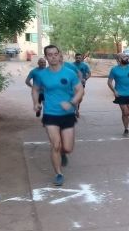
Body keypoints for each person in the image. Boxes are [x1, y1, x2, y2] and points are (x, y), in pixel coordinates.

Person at [32, 45, 85, 186]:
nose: (53, 56)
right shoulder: (41, 75)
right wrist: (36, 103)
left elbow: (80, 90)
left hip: (67, 114)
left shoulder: (69, 73)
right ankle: (58, 173)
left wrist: (72, 102)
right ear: (46, 57)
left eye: (55, 54)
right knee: (55, 144)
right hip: (50, 114)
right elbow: (35, 89)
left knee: (67, 148)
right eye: (50, 54)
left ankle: (63, 152)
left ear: (59, 55)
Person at [108, 53, 129, 136]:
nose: (126, 58)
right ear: (119, 60)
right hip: (120, 94)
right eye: (124, 57)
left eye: (126, 56)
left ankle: (125, 116)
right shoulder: (114, 70)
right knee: (125, 112)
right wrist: (114, 91)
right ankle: (126, 128)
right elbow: (109, 82)